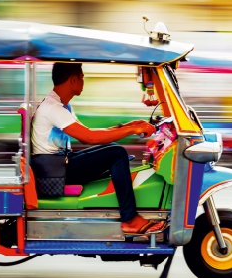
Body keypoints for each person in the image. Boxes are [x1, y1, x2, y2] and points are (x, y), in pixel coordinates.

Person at [31, 62, 166, 235]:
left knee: (113, 148)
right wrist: (131, 130)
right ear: (73, 80)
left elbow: (88, 133)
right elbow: (89, 138)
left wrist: (127, 125)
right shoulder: (53, 108)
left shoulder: (60, 105)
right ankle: (130, 219)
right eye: (82, 78)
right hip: (54, 173)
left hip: (59, 164)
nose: (83, 81)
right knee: (117, 153)